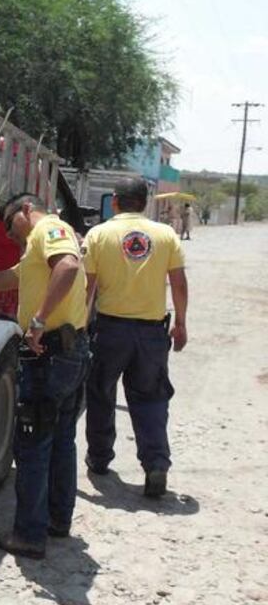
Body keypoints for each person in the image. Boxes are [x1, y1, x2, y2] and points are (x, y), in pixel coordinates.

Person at [0, 193, 89, 559]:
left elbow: (68, 267)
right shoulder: (36, 248)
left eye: (10, 226)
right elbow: (4, 280)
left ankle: (28, 535)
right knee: (60, 440)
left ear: (26, 210)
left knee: (33, 443)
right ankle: (57, 520)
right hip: (68, 352)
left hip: (50, 354)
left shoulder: (49, 228)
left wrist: (38, 322)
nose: (9, 236)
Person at [82, 175, 188, 497]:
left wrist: (80, 326)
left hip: (110, 330)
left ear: (114, 200)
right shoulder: (166, 234)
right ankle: (155, 464)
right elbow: (179, 283)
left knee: (101, 393)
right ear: (145, 202)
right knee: (151, 398)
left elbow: (89, 288)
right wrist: (181, 323)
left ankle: (99, 459)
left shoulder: (99, 234)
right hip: (152, 333)